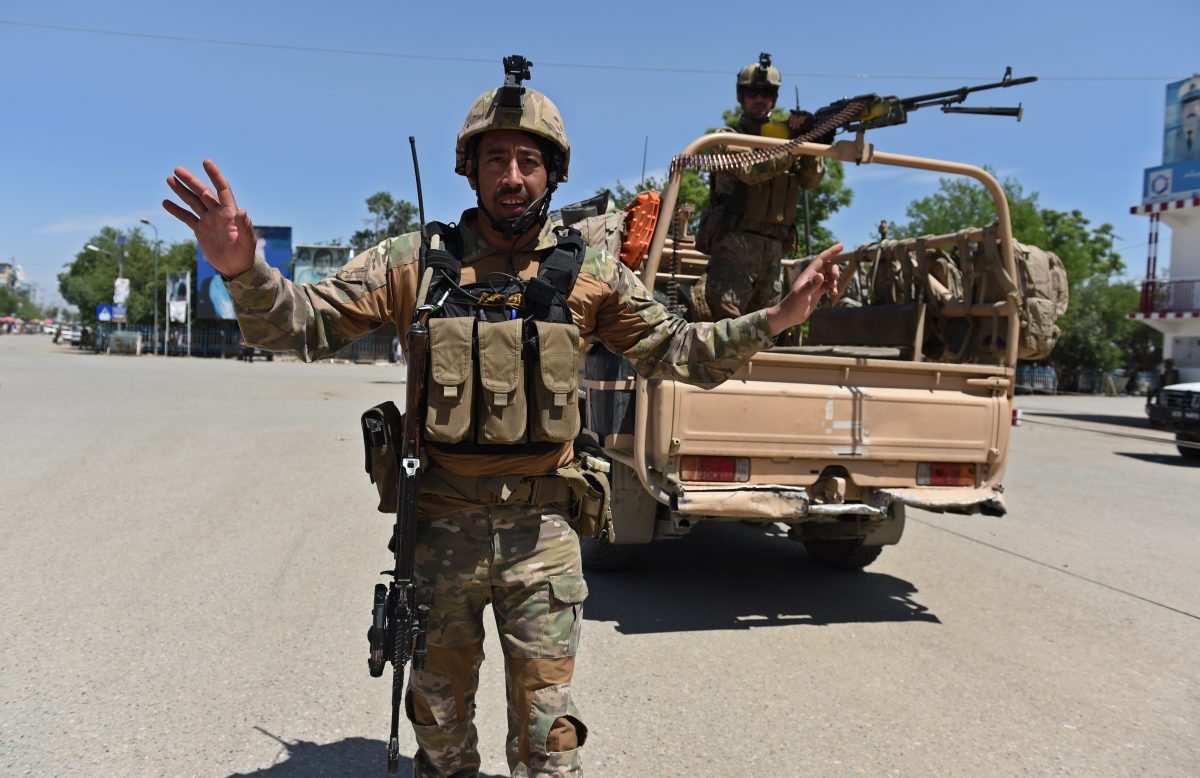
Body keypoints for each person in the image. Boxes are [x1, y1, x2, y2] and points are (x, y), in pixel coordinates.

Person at [162, 59, 840, 778]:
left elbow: (679, 351)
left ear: (553, 173)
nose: (512, 176)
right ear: (470, 170)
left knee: (549, 743)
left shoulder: (592, 274)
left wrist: (777, 316)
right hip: (439, 532)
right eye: (495, 160)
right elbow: (302, 324)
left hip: (541, 538)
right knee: (440, 735)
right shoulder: (415, 264)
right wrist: (244, 271)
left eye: (528, 161)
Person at [692, 53, 832, 321]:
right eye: (752, 92)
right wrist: (794, 145)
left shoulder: (785, 141)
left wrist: (810, 144)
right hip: (735, 244)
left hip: (774, 247)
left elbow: (810, 180)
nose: (760, 98)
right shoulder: (728, 137)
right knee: (727, 322)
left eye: (767, 92)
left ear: (774, 98)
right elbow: (751, 171)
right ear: (741, 96)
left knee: (767, 324)